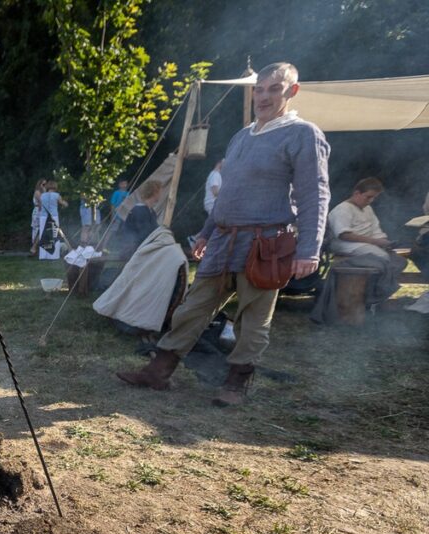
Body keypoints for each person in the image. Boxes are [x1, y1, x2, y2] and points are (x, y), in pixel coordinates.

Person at [117, 62, 330, 407]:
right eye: (259, 89)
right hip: (223, 241)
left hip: (266, 244)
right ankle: (159, 371)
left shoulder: (303, 134)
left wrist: (309, 249)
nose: (263, 96)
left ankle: (235, 383)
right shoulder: (241, 136)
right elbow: (227, 193)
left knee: (252, 320)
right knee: (191, 308)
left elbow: (314, 193)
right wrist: (205, 232)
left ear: (292, 91)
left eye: (274, 88)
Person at [323, 177, 405, 303]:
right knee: (381, 256)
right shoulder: (342, 209)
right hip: (345, 244)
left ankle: (373, 292)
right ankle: (370, 295)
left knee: (399, 261)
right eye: (368, 197)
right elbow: (344, 235)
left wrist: (386, 243)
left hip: (366, 245)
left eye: (374, 198)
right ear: (357, 193)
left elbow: (376, 230)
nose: (371, 200)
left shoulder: (368, 209)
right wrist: (377, 243)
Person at [110, 179, 162, 259]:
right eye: (159, 192)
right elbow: (145, 234)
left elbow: (154, 230)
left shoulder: (150, 211)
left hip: (142, 249)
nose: (160, 195)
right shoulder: (139, 211)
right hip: (133, 252)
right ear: (154, 193)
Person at [38, 180, 68, 260]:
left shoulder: (42, 195)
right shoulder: (57, 195)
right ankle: (53, 255)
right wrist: (65, 203)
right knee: (54, 235)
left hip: (43, 217)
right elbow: (63, 204)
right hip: (53, 217)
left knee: (43, 236)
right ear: (55, 187)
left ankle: (43, 256)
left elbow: (40, 207)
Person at [29, 179, 47, 255]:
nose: (44, 186)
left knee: (41, 229)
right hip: (38, 211)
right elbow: (41, 202)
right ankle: (34, 248)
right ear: (39, 185)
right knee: (37, 229)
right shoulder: (37, 192)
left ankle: (35, 248)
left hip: (41, 211)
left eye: (45, 184)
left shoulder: (42, 192)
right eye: (43, 184)